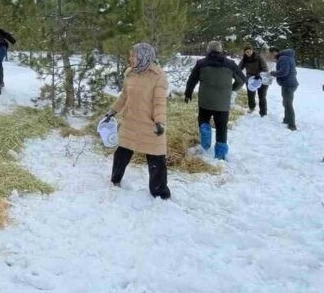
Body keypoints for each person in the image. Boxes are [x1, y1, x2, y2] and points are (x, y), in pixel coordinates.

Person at [102, 43, 170, 200]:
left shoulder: (157, 76)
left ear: (144, 56)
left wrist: (160, 122)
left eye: (134, 55)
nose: (130, 58)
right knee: (121, 154)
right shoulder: (130, 73)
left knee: (156, 160)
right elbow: (124, 97)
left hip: (150, 124)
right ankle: (115, 181)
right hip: (131, 122)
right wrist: (112, 111)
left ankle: (160, 193)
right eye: (130, 55)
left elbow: (159, 102)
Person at [184, 41, 245, 160]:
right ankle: (220, 154)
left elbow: (192, 80)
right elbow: (242, 80)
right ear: (220, 50)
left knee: (203, 120)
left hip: (205, 101)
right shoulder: (230, 64)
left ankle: (205, 140)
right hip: (223, 103)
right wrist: (232, 88)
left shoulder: (201, 63)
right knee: (221, 127)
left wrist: (188, 94)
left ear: (208, 50)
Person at [268, 47, 299, 131]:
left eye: (271, 53)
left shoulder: (283, 58)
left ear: (274, 52)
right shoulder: (286, 57)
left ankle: (292, 125)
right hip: (290, 83)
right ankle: (286, 119)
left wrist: (272, 73)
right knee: (286, 102)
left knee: (288, 104)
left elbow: (283, 72)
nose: (271, 55)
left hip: (288, 84)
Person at [238, 45, 269, 116]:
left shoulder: (259, 57)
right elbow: (239, 68)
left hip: (260, 79)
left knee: (262, 96)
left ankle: (263, 112)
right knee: (250, 95)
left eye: (250, 51)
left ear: (252, 50)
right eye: (247, 52)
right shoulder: (244, 59)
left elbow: (265, 69)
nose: (249, 53)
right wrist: (240, 75)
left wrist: (259, 75)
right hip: (250, 79)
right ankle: (251, 107)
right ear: (245, 52)